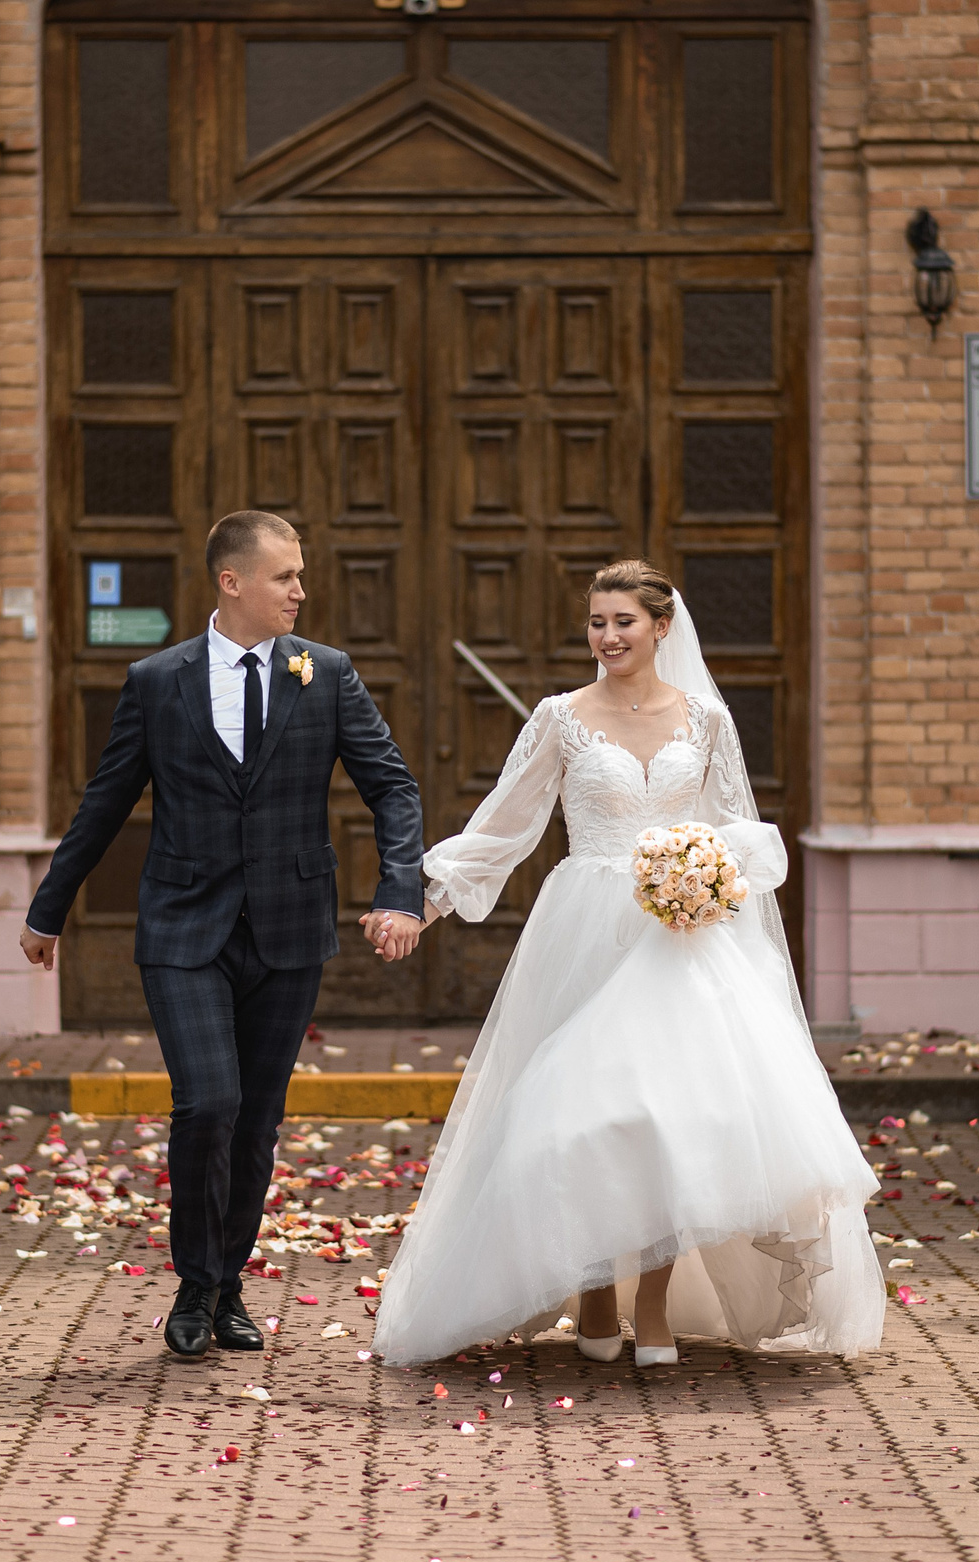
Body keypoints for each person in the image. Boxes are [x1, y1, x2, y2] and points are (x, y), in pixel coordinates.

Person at [372, 561, 885, 1368]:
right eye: (597, 624)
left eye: (624, 623)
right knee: (578, 1118)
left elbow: (736, 831)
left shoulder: (707, 719)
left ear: (660, 629)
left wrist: (710, 878)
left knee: (670, 1121)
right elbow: (506, 825)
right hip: (584, 931)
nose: (608, 638)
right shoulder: (559, 718)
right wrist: (421, 902)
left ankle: (650, 1301)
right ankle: (593, 1294)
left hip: (681, 940)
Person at [20, 511, 427, 1358]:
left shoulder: (329, 675)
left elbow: (393, 788)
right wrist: (48, 908)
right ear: (232, 582)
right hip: (182, 926)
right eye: (285, 576)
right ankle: (195, 1279)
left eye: (300, 575)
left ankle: (226, 1283)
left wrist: (401, 891)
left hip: (288, 929)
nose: (301, 591)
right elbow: (106, 802)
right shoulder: (157, 680)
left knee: (256, 1120)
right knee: (208, 1101)